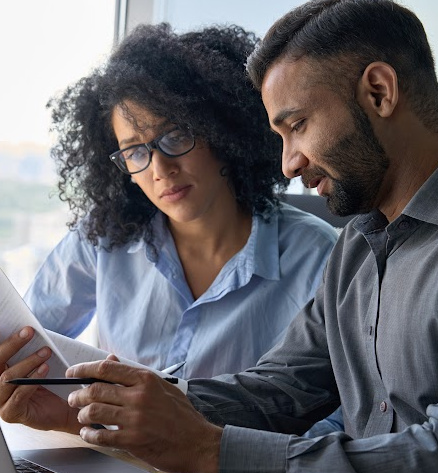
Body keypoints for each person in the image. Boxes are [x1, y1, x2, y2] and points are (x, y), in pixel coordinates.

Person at [10, 0, 438, 473]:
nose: (288, 162)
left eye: (298, 125)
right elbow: (282, 388)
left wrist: (211, 451)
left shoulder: (326, 246)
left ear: (380, 92)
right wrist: (106, 412)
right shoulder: (359, 246)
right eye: (279, 137)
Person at [22, 23, 337, 380]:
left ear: (223, 133)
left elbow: (339, 418)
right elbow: (26, 339)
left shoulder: (319, 258)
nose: (159, 168)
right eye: (134, 151)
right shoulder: (103, 238)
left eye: (174, 136)